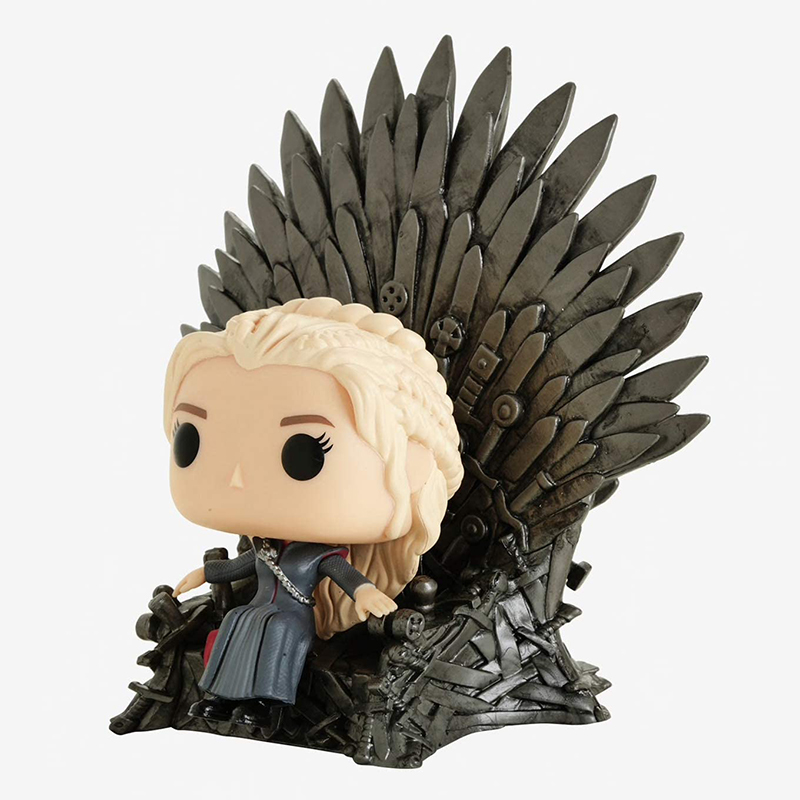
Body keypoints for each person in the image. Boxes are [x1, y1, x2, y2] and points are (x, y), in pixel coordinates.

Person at [166, 297, 463, 725]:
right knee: (236, 620)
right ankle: (221, 697)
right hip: (258, 610)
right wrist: (204, 574)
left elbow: (344, 576)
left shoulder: (317, 556)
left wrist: (365, 593)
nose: (236, 478)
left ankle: (266, 700)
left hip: (292, 616)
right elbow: (239, 567)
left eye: (305, 452)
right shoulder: (266, 549)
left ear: (412, 465)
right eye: (189, 439)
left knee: (276, 631)